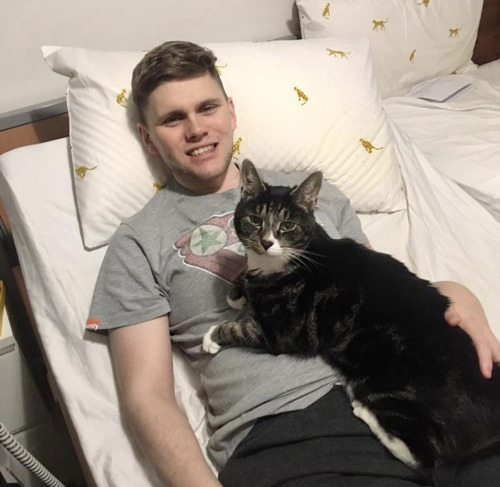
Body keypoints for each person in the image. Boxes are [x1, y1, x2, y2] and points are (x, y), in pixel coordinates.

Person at [87, 40, 500, 487]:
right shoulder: (138, 240)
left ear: (231, 113)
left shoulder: (308, 196)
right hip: (299, 431)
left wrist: (459, 295)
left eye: (206, 108)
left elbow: (377, 287)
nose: (196, 129)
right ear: (148, 138)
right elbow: (147, 397)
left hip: (422, 386)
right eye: (173, 118)